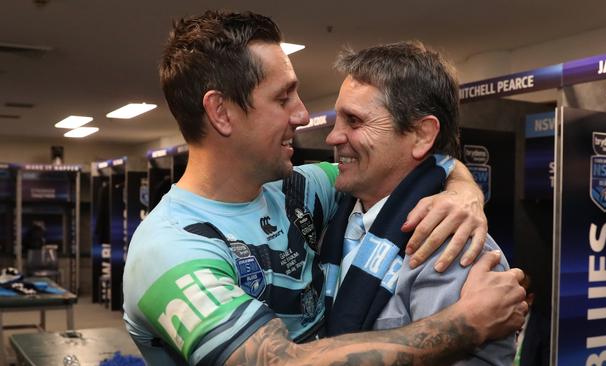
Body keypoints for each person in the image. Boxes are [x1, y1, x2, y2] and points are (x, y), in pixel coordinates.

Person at [122, 10, 527, 365]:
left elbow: (408, 169)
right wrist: (466, 323)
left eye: (353, 121)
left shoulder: (300, 190)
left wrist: (462, 190)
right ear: (221, 112)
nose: (303, 116)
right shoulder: (170, 247)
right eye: (283, 98)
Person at [321, 41, 515, 364]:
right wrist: (463, 183)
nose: (333, 137)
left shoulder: (450, 248)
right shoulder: (328, 213)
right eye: (337, 120)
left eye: (354, 122)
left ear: (422, 135)